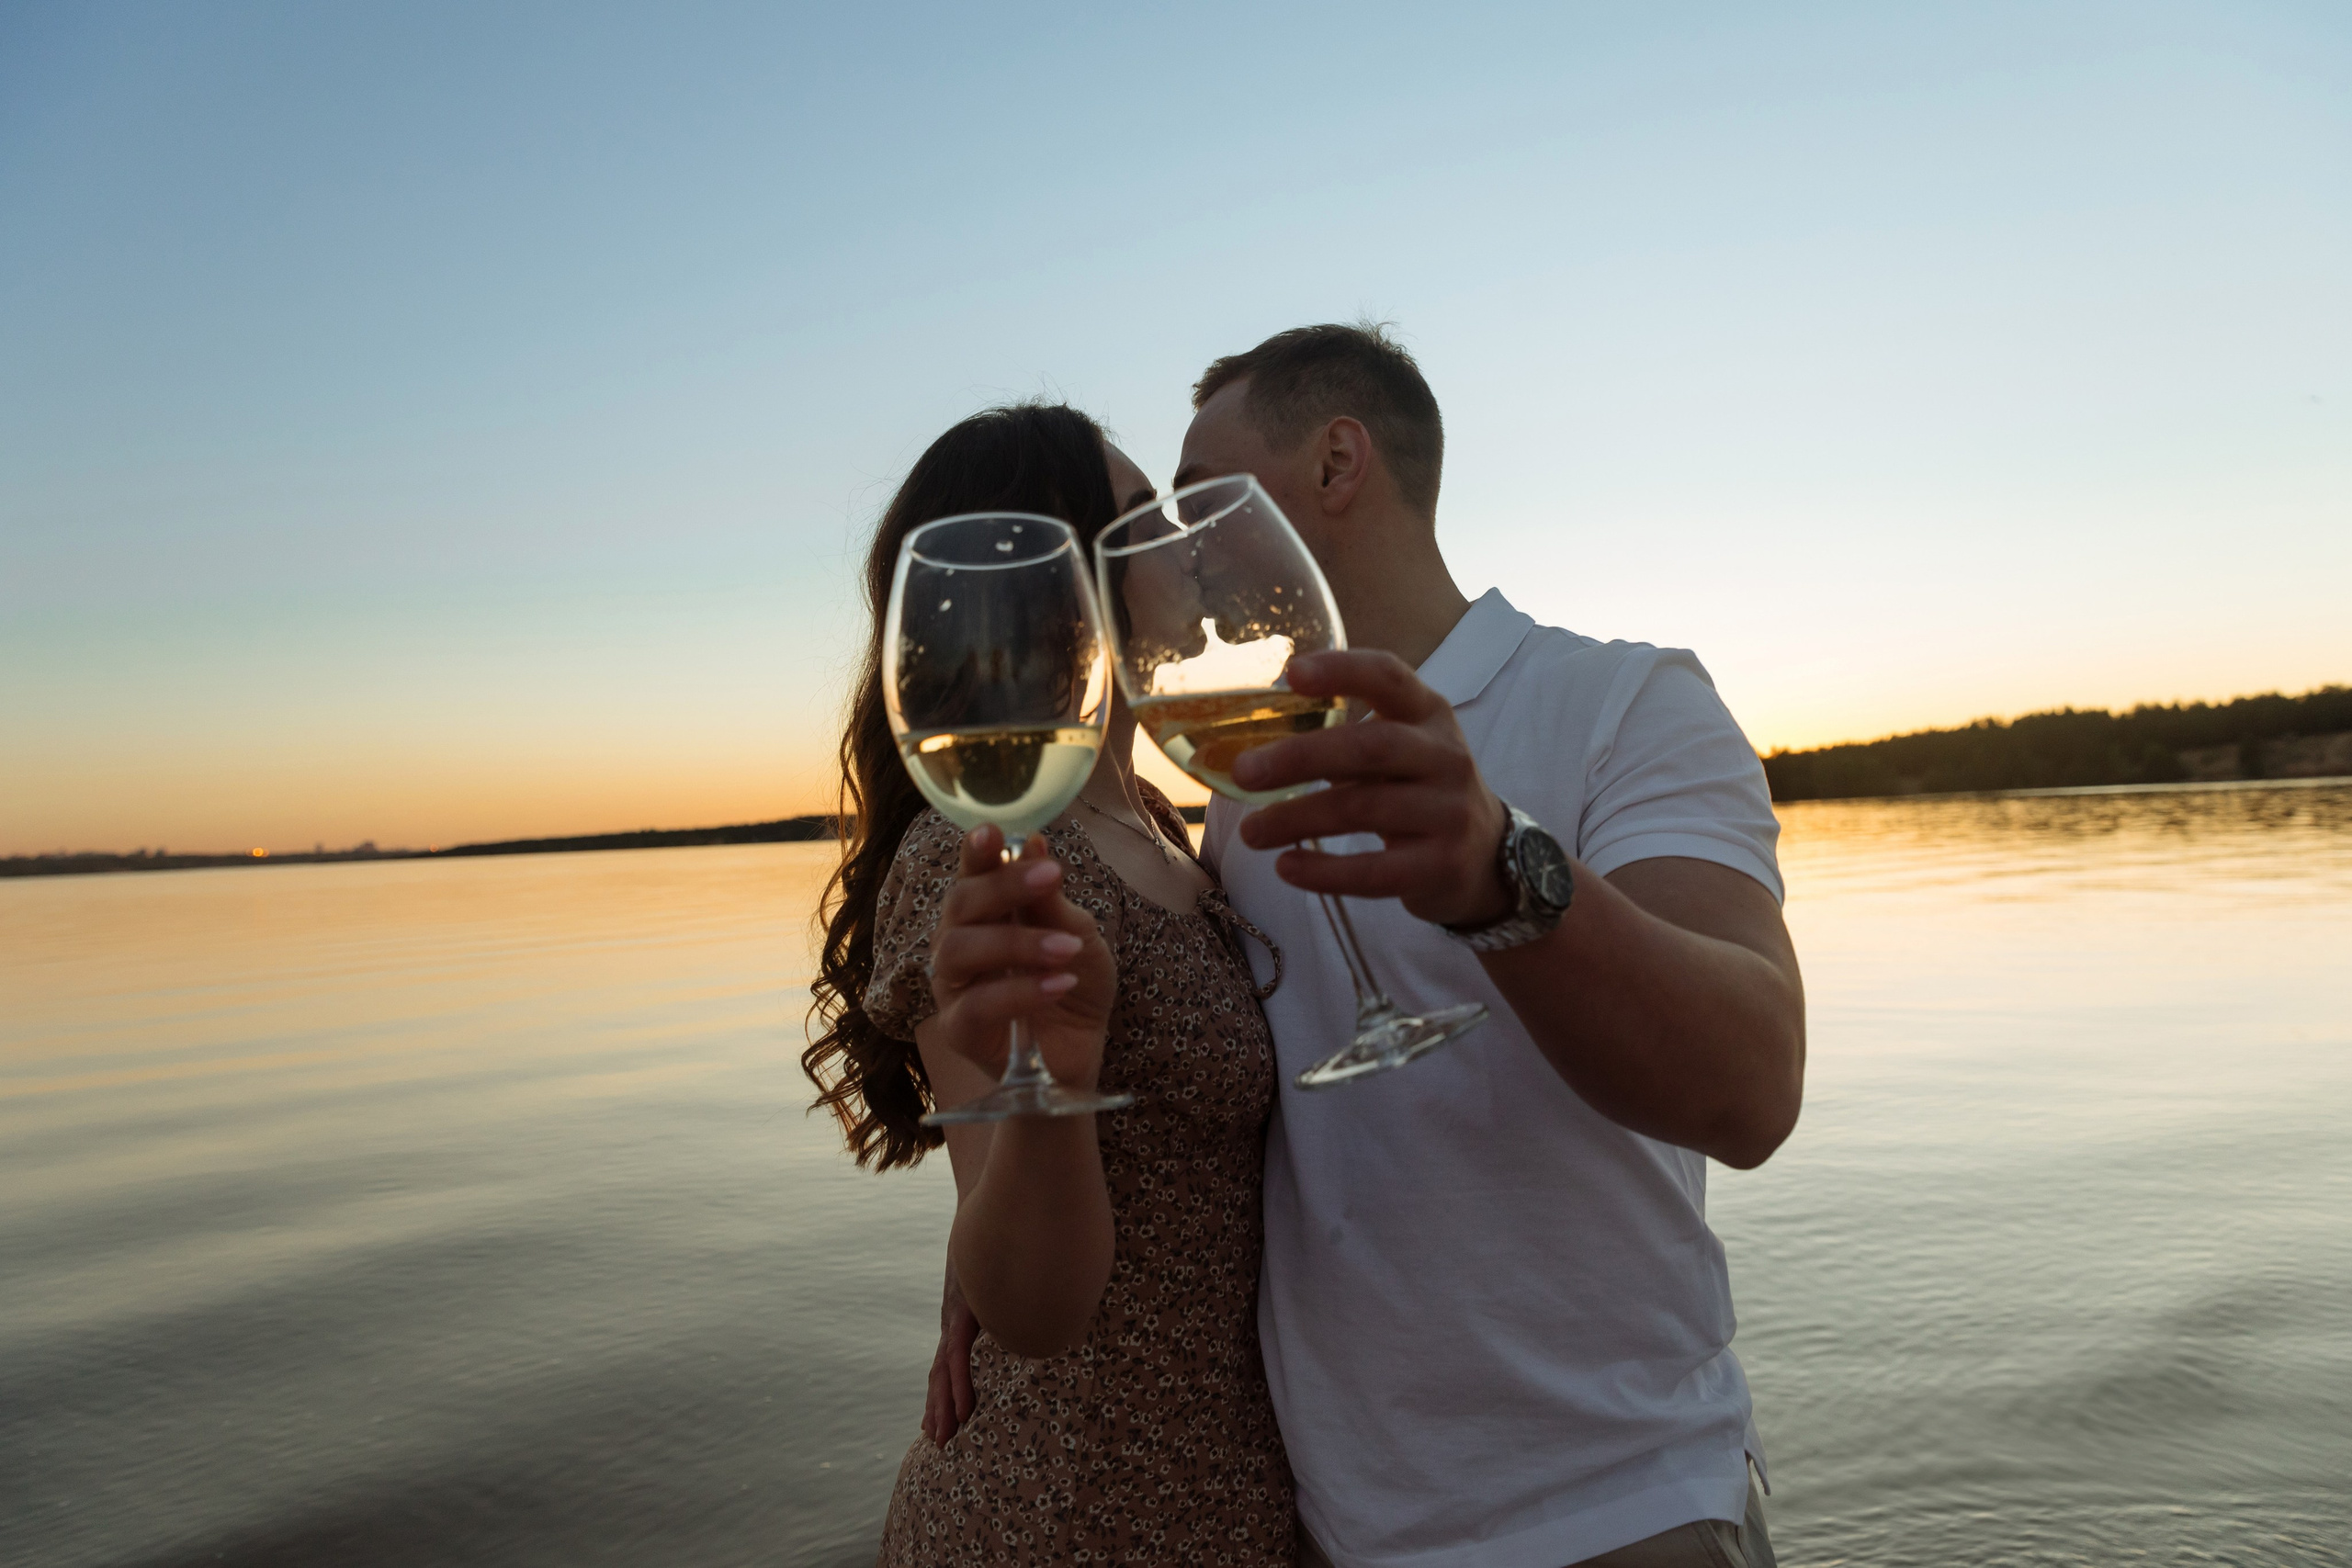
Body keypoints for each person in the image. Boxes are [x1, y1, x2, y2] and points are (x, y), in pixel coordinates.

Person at [932, 328, 1805, 1568]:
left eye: (1201, 501)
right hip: (1329, 1523)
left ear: (1339, 461)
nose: (1170, 550)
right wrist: (984, 1224)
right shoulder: (1231, 793)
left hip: (1616, 1504)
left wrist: (1503, 874)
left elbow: (1754, 1088)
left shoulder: (1625, 701)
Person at [804, 402, 1298, 1566]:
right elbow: (1030, 1309)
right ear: (1054, 582)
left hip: (1226, 1491)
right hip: (1076, 1511)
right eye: (1133, 522)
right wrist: (1047, 1099)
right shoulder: (977, 864)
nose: (1177, 547)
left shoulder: (1163, 821)